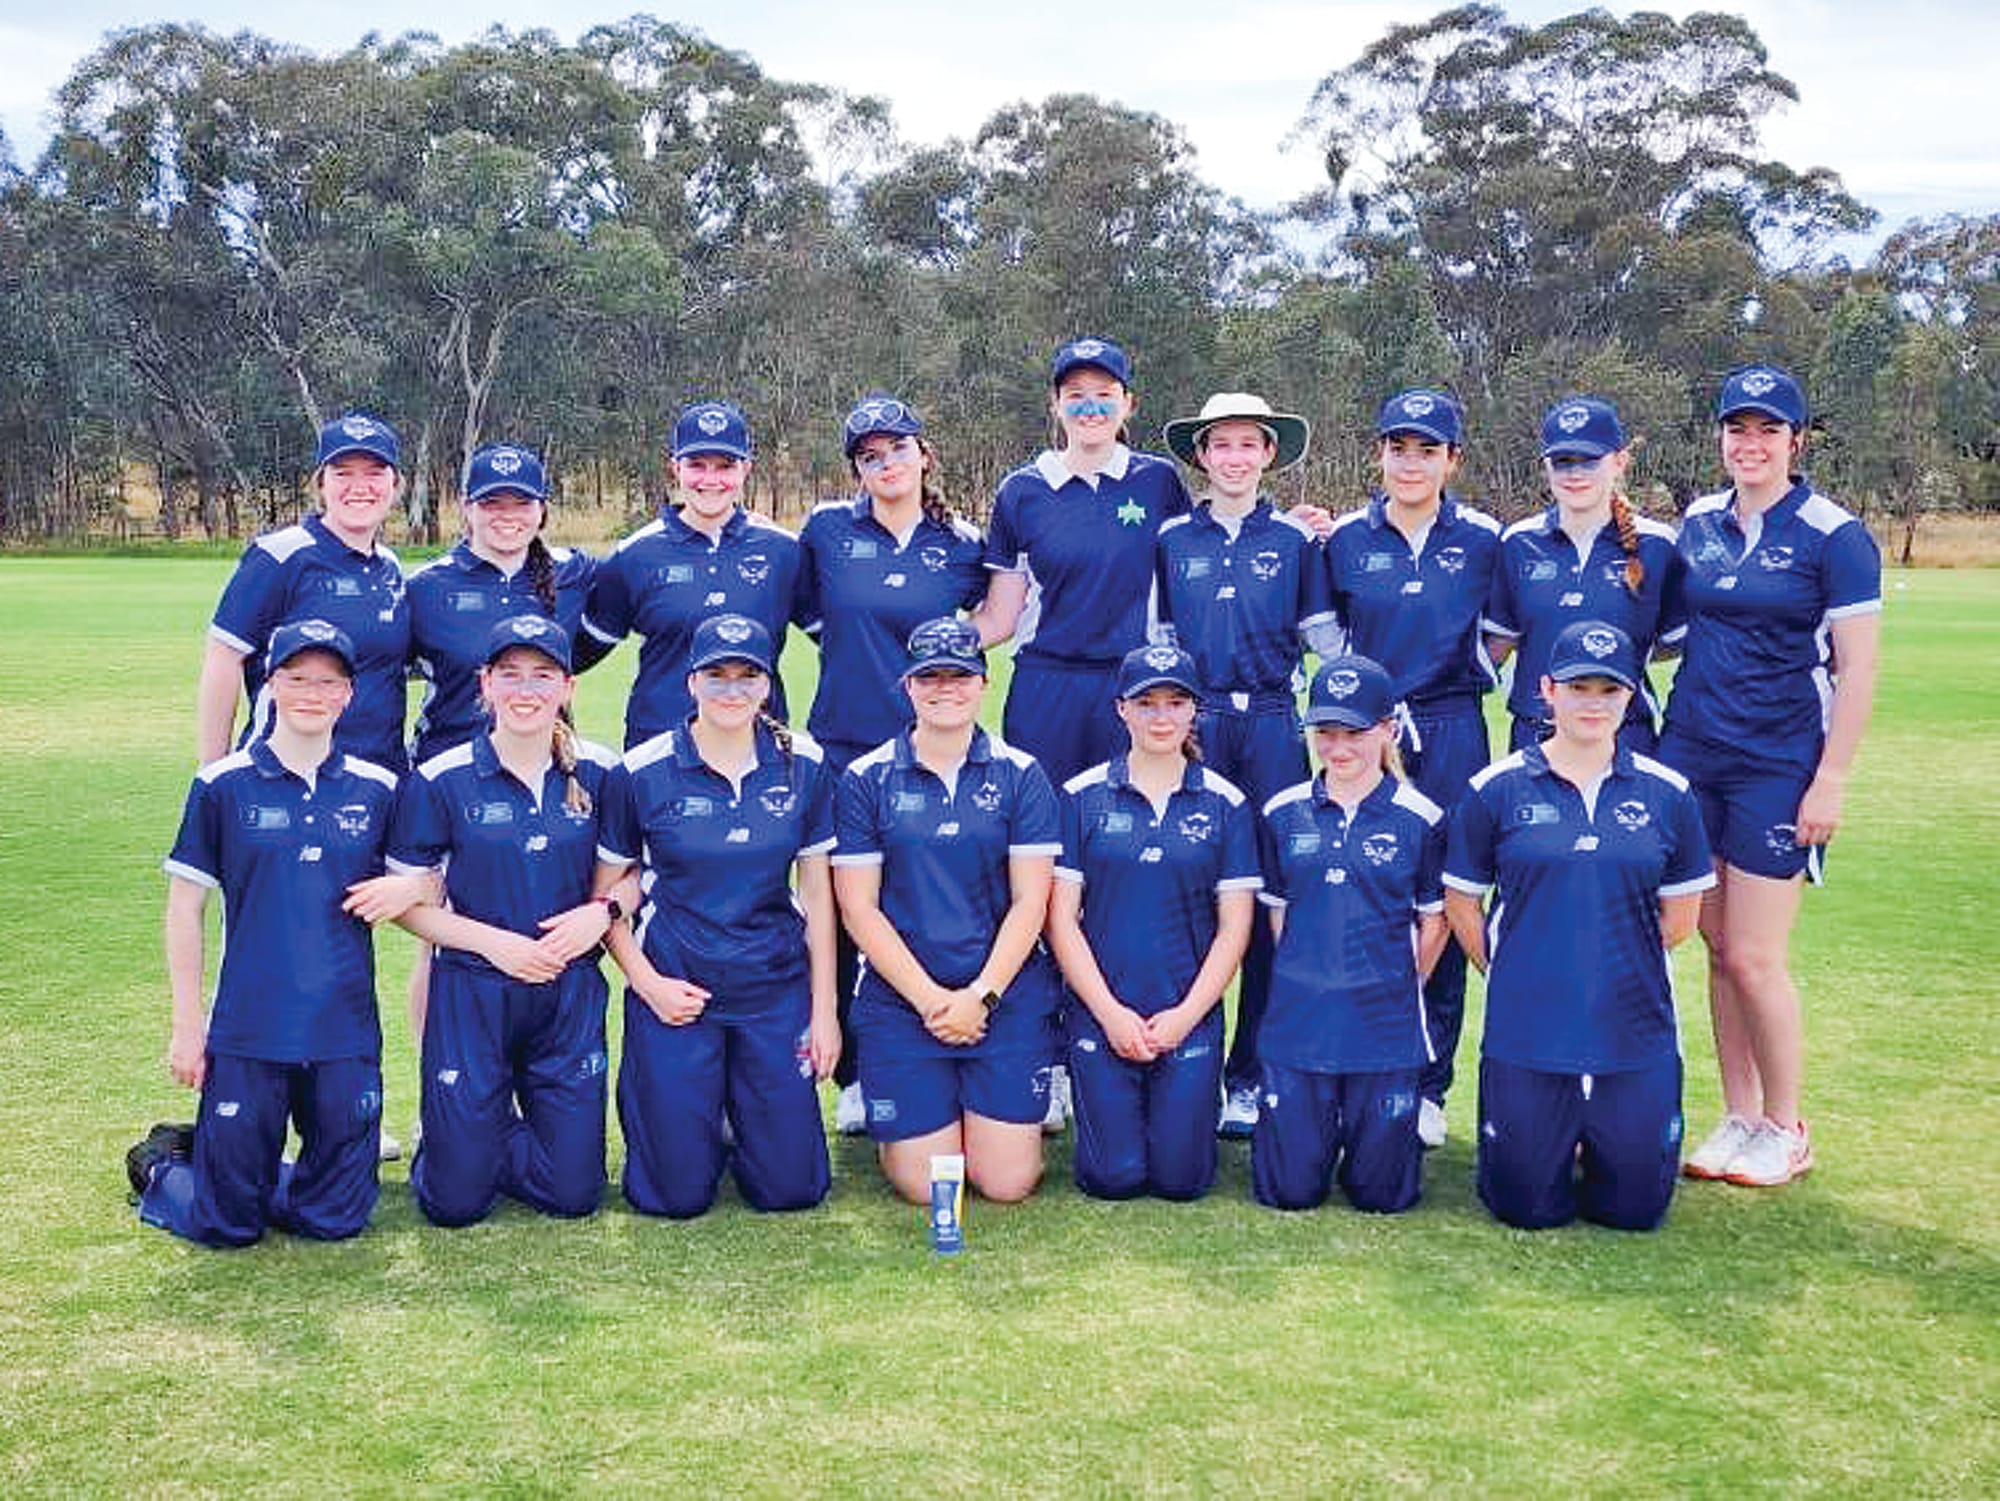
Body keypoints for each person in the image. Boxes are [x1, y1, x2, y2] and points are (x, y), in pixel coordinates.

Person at [1659, 366, 1881, 1188]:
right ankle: (1740, 1115)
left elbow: (1857, 670)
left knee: (1755, 953)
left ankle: (1787, 1125)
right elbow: (1669, 623)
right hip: (1694, 753)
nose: (1749, 445)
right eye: (1736, 429)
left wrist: (1833, 779)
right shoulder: (1698, 523)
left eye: (1767, 430)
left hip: (1779, 763)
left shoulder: (1835, 534)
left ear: (1797, 440)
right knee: (1715, 946)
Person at [130, 621, 415, 1246]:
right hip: (250, 1029)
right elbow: (185, 908)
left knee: (335, 1222)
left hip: (343, 1031)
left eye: (328, 682)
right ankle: (162, 1167)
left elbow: (426, 881)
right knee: (226, 1226)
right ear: (270, 684)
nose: (312, 693)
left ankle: (245, 1170)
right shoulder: (221, 785)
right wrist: (187, 1028)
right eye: (296, 679)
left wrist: (412, 889)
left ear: (348, 695)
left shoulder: (380, 789)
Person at [1444, 620, 1715, 1231]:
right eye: (1578, 688)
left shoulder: (1669, 794)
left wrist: (1608, 963)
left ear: (1631, 697)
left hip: (1634, 1031)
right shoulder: (1496, 789)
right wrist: (1511, 967)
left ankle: (1609, 1136)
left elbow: (1680, 919)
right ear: (1547, 690)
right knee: (1525, 1210)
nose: (1593, 704)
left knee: (1635, 1212)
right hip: (1529, 1033)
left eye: (1609, 691)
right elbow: (1461, 901)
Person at [595, 614, 838, 1217]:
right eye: (717, 676)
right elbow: (607, 899)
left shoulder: (803, 763)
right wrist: (648, 986)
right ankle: (709, 1118)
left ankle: (741, 1115)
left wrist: (825, 1012)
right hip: (677, 988)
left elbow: (819, 899)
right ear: (691, 681)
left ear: (768, 684)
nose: (732, 691)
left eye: (747, 676)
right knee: (673, 1197)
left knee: (792, 1192)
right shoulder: (641, 770)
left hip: (773, 988)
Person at [383, 616, 620, 1225]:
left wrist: (604, 912)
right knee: (453, 1205)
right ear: (483, 685)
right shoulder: (440, 778)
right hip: (472, 989)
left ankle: (484, 1135)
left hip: (566, 994)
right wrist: (496, 945)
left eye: (543, 676)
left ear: (567, 687)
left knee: (574, 1197)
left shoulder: (600, 771)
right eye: (509, 675)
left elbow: (635, 871)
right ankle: (460, 1143)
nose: (526, 691)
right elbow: (408, 901)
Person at [798, 394, 987, 1134]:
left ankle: (958, 1047)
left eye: (899, 449)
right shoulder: (825, 532)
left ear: (924, 455)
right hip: (847, 747)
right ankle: (854, 1074)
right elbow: (803, 608)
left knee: (937, 900)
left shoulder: (963, 543)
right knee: (849, 913)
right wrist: (848, 647)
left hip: (940, 749)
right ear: (857, 469)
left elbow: (1002, 613)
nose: (887, 465)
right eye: (870, 456)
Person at [1155, 391, 1341, 1135]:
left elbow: (1327, 639)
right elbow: (1159, 637)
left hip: (1268, 723)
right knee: (1185, 885)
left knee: (1267, 898)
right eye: (1220, 445)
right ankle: (1181, 1055)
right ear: (1201, 456)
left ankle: (1249, 1073)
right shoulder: (1172, 537)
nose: (1233, 458)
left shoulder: (1297, 543)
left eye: (1248, 445)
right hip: (1193, 723)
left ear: (1269, 455)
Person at [1322, 388, 1501, 1148]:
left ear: (1452, 460)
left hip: (1454, 727)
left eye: (1428, 449)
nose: (1411, 462)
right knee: (1362, 893)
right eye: (1399, 447)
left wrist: (1449, 683)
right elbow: (1324, 629)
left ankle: (1429, 1083)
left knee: (1448, 899)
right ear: (1379, 454)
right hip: (1368, 735)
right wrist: (1367, 704)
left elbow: (1503, 632)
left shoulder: (1489, 539)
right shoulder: (1344, 541)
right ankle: (1349, 1066)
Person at [832, 617, 1062, 1205]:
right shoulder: (866, 778)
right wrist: (935, 1003)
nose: (945, 689)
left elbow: (1031, 901)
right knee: (928, 1184)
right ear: (907, 686)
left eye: (959, 676)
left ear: (983, 682)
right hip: (904, 1002)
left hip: (1002, 999)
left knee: (1005, 1184)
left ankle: (979, 1105)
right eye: (929, 677)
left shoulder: (1022, 774)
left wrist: (979, 996)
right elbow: (858, 910)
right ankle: (928, 1110)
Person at [1047, 644, 1259, 1200]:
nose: (1161, 717)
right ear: (1122, 710)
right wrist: (1111, 1014)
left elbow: (1235, 929)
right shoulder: (1080, 797)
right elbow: (1061, 921)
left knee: (1181, 1180)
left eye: (1175, 702)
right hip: (1102, 1014)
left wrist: (1186, 1016)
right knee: (1110, 1179)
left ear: (1195, 710)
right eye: (1146, 703)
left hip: (1185, 1017)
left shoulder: (1227, 803)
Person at [1252, 655, 1447, 1214]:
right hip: (1300, 1025)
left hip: (1383, 1030)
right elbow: (1280, 917)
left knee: (1381, 1197)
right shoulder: (1282, 813)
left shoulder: (1422, 818)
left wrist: (1391, 984)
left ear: (1388, 729)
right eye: (1326, 733)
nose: (1338, 749)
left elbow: (1433, 923)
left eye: (1355, 733)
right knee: (1290, 1194)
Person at [973, 337, 1193, 789]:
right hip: (1046, 685)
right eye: (1075, 396)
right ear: (1055, 404)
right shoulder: (1021, 491)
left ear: (1128, 404)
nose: (1089, 408)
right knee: (1042, 829)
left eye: (1105, 395)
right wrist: (921, 646)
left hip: (1135, 684)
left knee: (1126, 827)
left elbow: (1206, 548)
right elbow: (1001, 615)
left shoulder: (1158, 481)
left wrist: (1291, 524)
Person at [578, 401, 804, 749]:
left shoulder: (784, 552)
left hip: (760, 751)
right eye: (697, 465)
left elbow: (846, 637)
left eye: (725, 466)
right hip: (659, 748)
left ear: (746, 469)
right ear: (675, 467)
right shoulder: (636, 555)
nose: (710, 480)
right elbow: (578, 651)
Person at [195, 413, 411, 773]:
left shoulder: (389, 566)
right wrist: (213, 772)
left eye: (374, 472)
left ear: (395, 484)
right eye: (343, 472)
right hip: (286, 779)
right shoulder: (279, 556)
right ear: (321, 484)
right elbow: (224, 658)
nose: (360, 485)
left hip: (379, 783)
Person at [1484, 397, 1680, 753]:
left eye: (1589, 461)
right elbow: (1500, 642)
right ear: (1546, 467)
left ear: (1619, 462)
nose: (1575, 474)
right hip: (1536, 736)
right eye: (1562, 463)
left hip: (1626, 738)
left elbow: (1674, 641)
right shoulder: (1517, 543)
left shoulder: (1659, 546)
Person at [406, 443, 597, 766]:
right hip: (446, 770)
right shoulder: (425, 586)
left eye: (522, 503)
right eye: (492, 503)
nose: (508, 515)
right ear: (467, 508)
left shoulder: (575, 572)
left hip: (546, 768)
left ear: (542, 510)